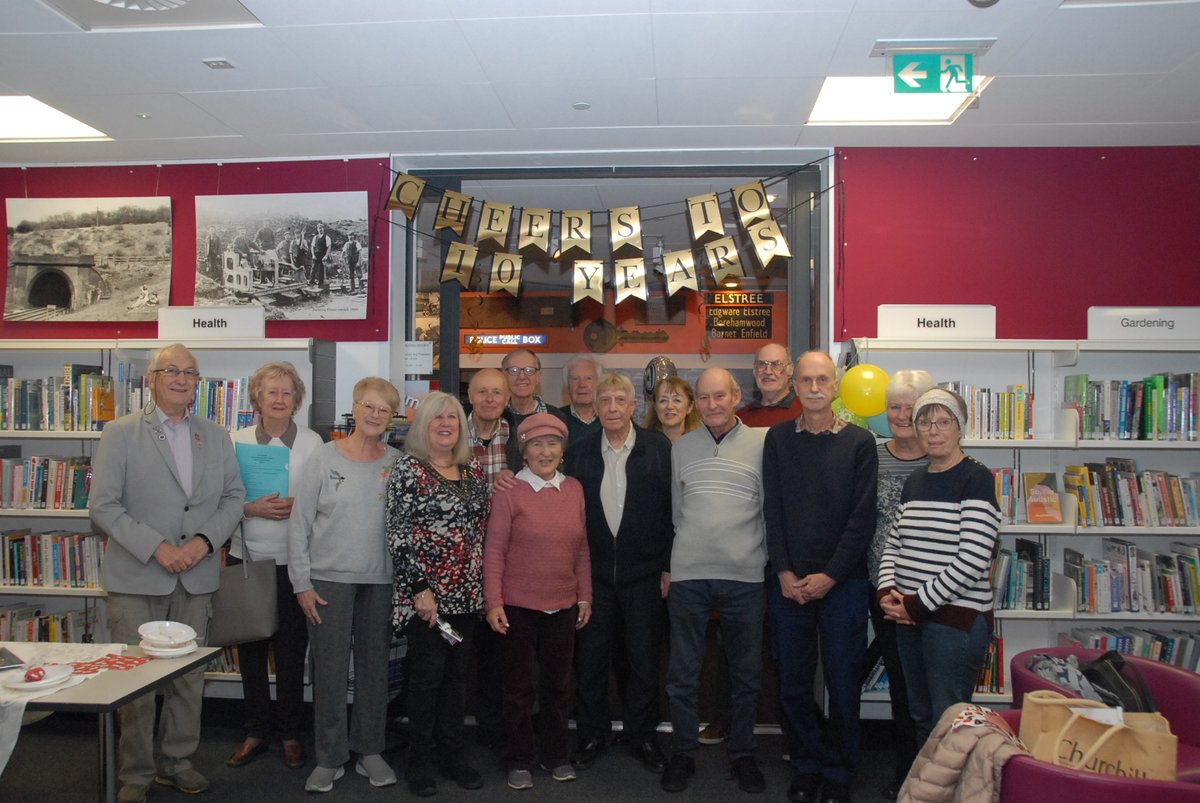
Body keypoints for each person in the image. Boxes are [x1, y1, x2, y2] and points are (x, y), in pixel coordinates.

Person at [89, 344, 245, 803]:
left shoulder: (216, 435)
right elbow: (103, 506)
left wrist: (201, 542)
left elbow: (233, 499)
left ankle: (178, 762)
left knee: (187, 678)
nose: (181, 378)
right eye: (171, 371)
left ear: (199, 383)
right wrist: (156, 547)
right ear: (152, 380)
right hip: (138, 575)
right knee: (135, 681)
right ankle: (135, 775)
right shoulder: (120, 433)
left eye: (190, 373)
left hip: (195, 576)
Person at [763, 351, 877, 803]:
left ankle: (839, 771)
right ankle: (806, 764)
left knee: (843, 681)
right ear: (795, 386)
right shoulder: (777, 439)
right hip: (788, 583)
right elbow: (772, 511)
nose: (813, 388)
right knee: (792, 681)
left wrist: (830, 575)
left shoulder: (860, 442)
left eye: (822, 380)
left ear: (835, 387)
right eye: (805, 380)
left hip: (843, 585)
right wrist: (785, 571)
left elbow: (861, 520)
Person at [288, 377, 400, 793]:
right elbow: (299, 525)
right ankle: (330, 756)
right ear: (354, 408)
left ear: (392, 417)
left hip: (380, 582)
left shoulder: (396, 463)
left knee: (374, 670)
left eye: (383, 409)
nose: (374, 415)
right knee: (330, 670)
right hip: (327, 581)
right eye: (368, 406)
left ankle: (370, 749)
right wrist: (301, 582)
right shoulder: (323, 457)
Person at [662, 368, 767, 795]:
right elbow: (677, 510)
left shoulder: (763, 443)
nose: (711, 405)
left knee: (746, 675)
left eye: (719, 396)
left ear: (736, 396)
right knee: (683, 674)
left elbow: (767, 508)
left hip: (745, 575)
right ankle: (682, 753)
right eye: (703, 398)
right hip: (690, 575)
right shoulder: (682, 446)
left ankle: (743, 755)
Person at [877, 388, 1001, 749]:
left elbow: (973, 559)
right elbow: (893, 542)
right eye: (925, 422)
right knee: (921, 717)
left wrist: (914, 604)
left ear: (960, 427)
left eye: (943, 421)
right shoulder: (916, 480)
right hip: (909, 619)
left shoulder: (975, 478)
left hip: (954, 623)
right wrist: (888, 594)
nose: (933, 430)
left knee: (949, 722)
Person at [564, 373, 673, 775]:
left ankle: (643, 735)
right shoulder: (578, 452)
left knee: (644, 660)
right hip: (593, 578)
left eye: (619, 400)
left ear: (633, 407)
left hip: (644, 575)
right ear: (595, 406)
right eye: (604, 400)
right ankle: (592, 734)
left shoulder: (657, 448)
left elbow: (670, 514)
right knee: (591, 660)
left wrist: (667, 566)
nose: (611, 407)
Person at [387, 391, 491, 797]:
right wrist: (420, 591)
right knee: (426, 679)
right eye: (437, 418)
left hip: (465, 600)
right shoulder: (408, 469)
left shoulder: (473, 471)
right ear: (424, 425)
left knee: (455, 680)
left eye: (453, 418)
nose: (446, 424)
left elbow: (481, 531)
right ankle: (420, 761)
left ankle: (454, 757)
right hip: (426, 601)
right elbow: (398, 534)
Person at [226, 361, 324, 772]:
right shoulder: (234, 440)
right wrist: (250, 508)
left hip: (294, 563)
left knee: (290, 652)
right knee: (250, 650)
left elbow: (324, 501)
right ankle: (254, 730)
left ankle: (289, 734)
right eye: (272, 392)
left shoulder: (315, 443)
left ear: (296, 399)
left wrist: (298, 509)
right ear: (257, 398)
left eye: (287, 392)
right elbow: (219, 501)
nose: (280, 399)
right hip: (246, 557)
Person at [485, 413, 591, 791]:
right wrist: (493, 601)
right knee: (518, 690)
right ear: (524, 451)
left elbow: (581, 550)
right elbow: (494, 551)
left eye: (552, 444)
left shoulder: (575, 489)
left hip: (562, 605)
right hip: (517, 607)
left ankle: (555, 754)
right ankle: (518, 758)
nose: (545, 451)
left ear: (563, 451)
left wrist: (585, 595)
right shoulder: (509, 491)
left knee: (559, 687)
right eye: (536, 444)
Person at [867, 370, 934, 799]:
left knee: (936, 688)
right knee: (903, 688)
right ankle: (906, 774)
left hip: (936, 595)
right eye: (895, 406)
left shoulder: (943, 456)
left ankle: (939, 776)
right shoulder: (870, 455)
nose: (903, 415)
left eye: (912, 408)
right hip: (885, 591)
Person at [463, 367, 516, 749]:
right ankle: (456, 731)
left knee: (500, 652)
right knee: (459, 651)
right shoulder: (447, 433)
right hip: (459, 561)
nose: (489, 399)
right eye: (482, 391)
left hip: (506, 560)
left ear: (507, 398)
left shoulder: (520, 438)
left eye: (497, 392)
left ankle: (494, 731)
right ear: (470, 396)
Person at [500, 348, 569, 471]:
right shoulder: (497, 418)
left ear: (538, 377)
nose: (522, 376)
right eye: (514, 370)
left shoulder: (557, 417)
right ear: (503, 376)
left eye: (529, 370)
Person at [738, 343, 802, 427]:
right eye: (762, 364)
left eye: (776, 364)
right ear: (754, 370)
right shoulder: (741, 419)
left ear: (790, 370)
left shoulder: (805, 412)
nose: (768, 372)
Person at [642, 375, 701, 445]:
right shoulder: (643, 444)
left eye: (677, 400)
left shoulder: (701, 444)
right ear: (655, 407)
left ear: (690, 407)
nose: (669, 406)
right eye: (663, 400)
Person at [559, 355, 603, 444]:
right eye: (575, 379)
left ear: (599, 384)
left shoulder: (612, 417)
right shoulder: (556, 418)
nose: (582, 385)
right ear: (567, 386)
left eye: (588, 378)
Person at [309, 222, 332, 288]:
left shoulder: (327, 237)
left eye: (321, 228)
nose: (320, 229)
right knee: (313, 269)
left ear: (323, 229)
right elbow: (312, 247)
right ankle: (311, 283)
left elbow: (329, 247)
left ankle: (320, 284)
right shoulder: (315, 237)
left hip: (323, 256)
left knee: (321, 270)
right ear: (317, 229)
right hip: (316, 255)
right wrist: (313, 255)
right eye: (319, 228)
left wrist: (326, 256)